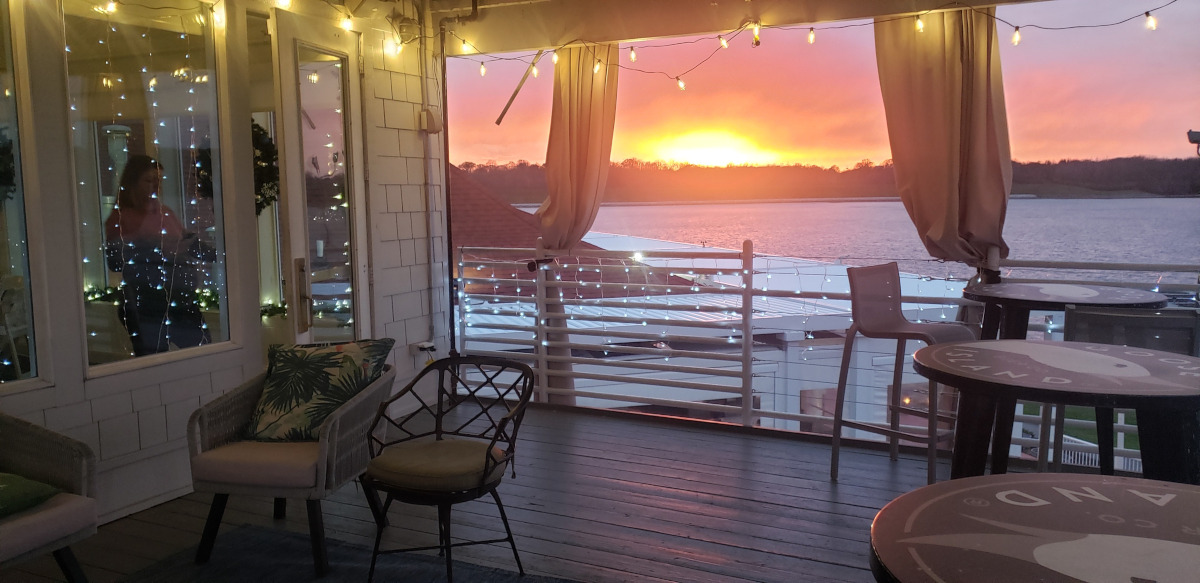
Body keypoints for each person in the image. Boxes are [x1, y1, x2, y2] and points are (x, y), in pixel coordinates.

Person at [104, 154, 215, 355]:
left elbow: (190, 243)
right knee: (154, 362)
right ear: (133, 183)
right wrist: (156, 248)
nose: (156, 186)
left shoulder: (165, 213)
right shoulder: (121, 218)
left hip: (181, 303)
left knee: (203, 354)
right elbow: (115, 261)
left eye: (158, 181)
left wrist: (222, 253)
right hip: (147, 307)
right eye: (149, 180)